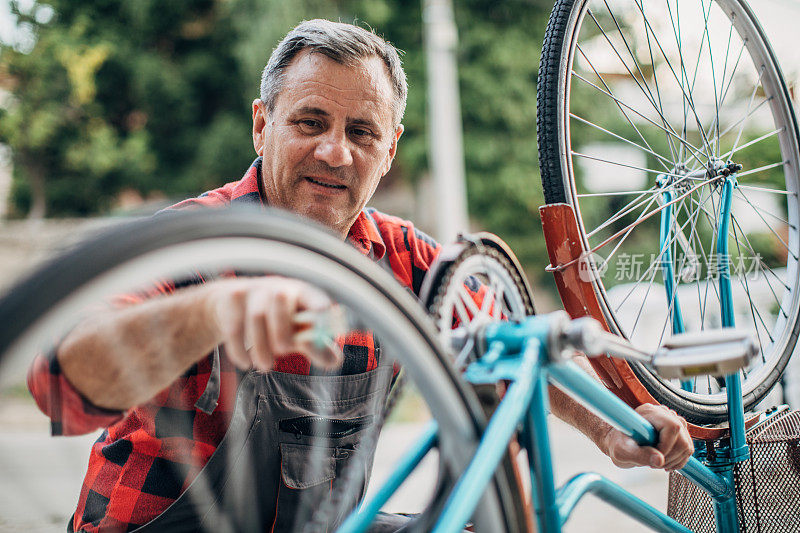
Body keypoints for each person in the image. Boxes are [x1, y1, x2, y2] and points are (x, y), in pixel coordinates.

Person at [26, 19, 693, 532]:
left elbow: (515, 342)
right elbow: (59, 384)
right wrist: (215, 312)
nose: (335, 152)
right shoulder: (189, 243)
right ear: (262, 127)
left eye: (362, 132)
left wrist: (613, 427)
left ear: (390, 148)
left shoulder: (409, 261)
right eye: (310, 122)